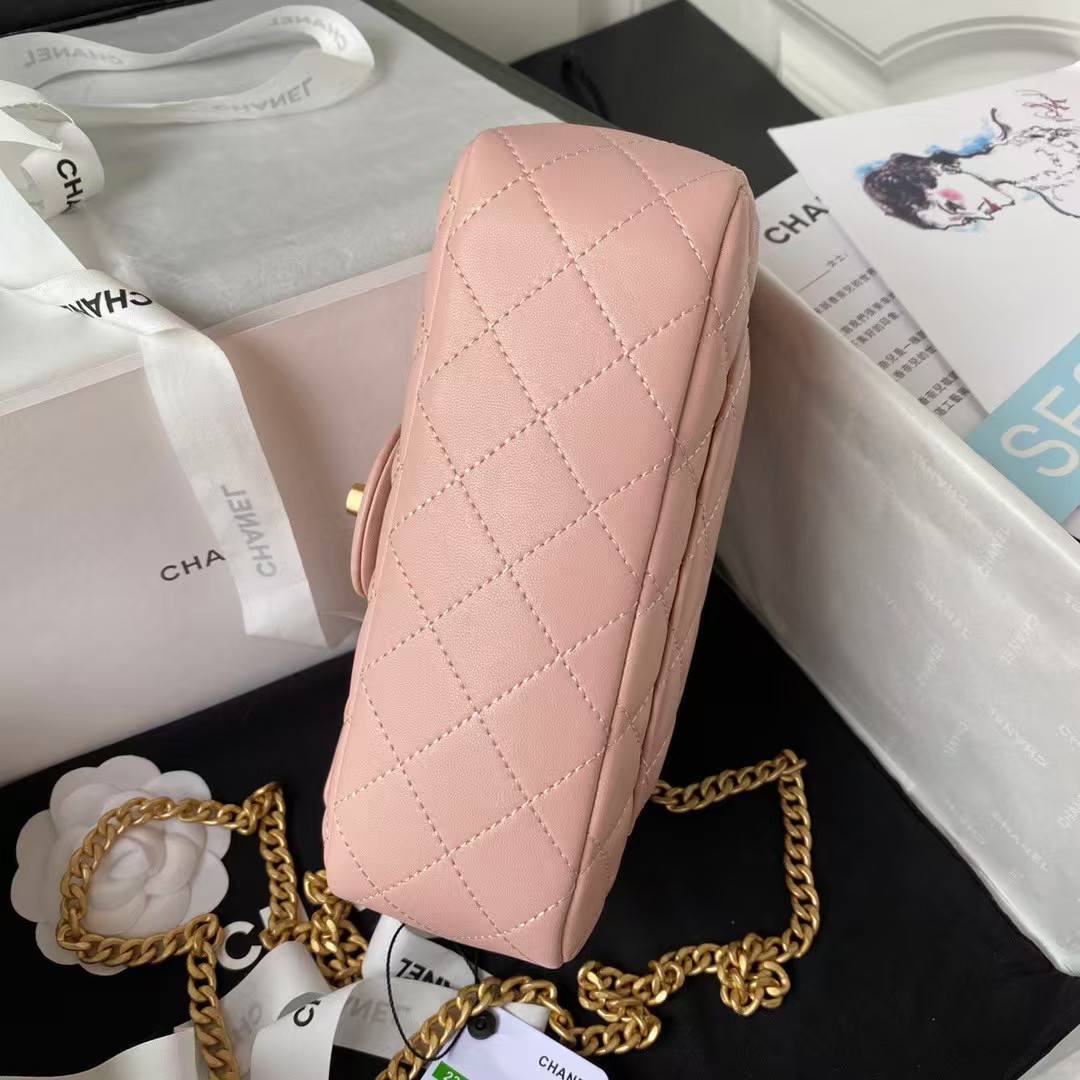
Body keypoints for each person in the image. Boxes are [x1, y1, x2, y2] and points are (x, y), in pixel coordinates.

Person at [862, 91, 1080, 229]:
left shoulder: (1015, 111)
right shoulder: (1070, 202)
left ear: (937, 170)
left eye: (954, 207)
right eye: (969, 220)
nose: (985, 216)